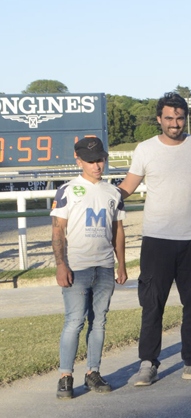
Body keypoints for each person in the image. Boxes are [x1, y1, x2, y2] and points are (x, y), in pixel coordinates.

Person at [118, 92, 191, 387]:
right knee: (152, 305)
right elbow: (127, 187)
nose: (174, 124)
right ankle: (148, 364)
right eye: (169, 118)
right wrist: (100, 195)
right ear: (158, 119)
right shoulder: (145, 149)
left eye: (179, 118)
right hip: (156, 240)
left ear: (185, 118)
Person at [52, 138, 127, 399]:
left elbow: (118, 230)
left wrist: (121, 264)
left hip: (104, 266)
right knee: (74, 321)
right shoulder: (67, 190)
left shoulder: (113, 192)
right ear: (79, 160)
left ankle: (93, 372)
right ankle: (65, 376)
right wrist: (61, 265)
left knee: (99, 322)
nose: (97, 166)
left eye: (100, 160)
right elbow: (58, 230)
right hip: (77, 267)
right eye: (91, 161)